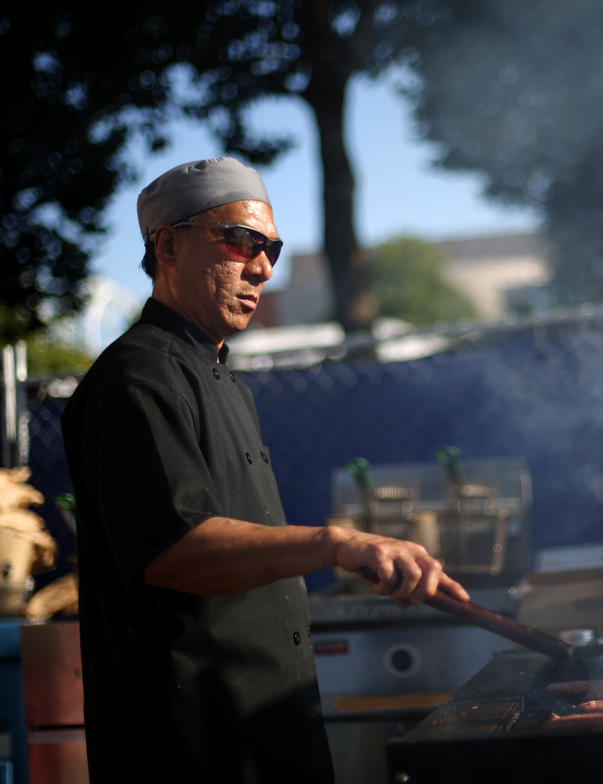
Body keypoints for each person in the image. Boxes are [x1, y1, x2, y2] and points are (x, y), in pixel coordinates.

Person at [60, 157, 467, 784]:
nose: (264, 267)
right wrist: (336, 543)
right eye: (242, 241)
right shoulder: (138, 378)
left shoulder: (222, 380)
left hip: (270, 735)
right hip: (192, 750)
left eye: (271, 248)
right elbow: (177, 550)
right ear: (167, 244)